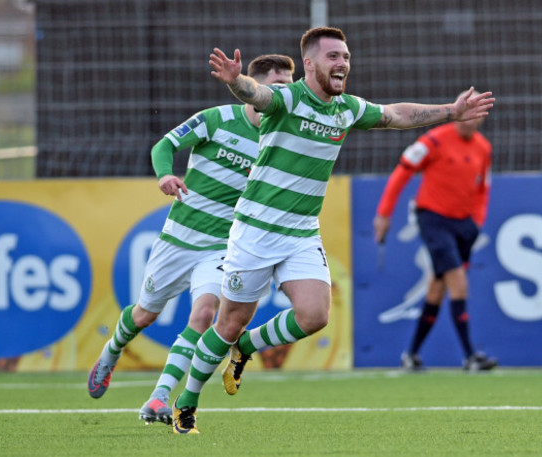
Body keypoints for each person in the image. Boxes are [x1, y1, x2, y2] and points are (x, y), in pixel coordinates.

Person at [171, 26, 495, 435]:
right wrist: (237, 81)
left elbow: (394, 115)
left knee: (315, 316)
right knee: (227, 324)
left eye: (345, 56)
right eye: (332, 57)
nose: (342, 63)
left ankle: (247, 348)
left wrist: (452, 110)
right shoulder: (288, 98)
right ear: (309, 64)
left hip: (301, 232)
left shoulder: (346, 108)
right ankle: (187, 402)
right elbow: (259, 95)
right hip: (254, 233)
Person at [86, 54, 295, 424]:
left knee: (204, 313)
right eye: (276, 87)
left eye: (288, 88)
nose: (282, 95)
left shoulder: (283, 138)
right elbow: (163, 145)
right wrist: (165, 175)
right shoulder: (216, 119)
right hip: (178, 239)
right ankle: (112, 351)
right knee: (144, 314)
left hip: (222, 246)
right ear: (255, 87)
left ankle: (159, 397)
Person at [373, 96, 497, 372]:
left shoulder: (483, 148)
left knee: (437, 288)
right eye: (469, 112)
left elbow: (483, 190)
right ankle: (471, 356)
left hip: (464, 226)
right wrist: (384, 213)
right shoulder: (435, 140)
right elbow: (402, 172)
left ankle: (411, 355)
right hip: (433, 219)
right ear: (460, 110)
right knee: (459, 282)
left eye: (479, 114)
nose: (473, 118)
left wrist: (476, 223)